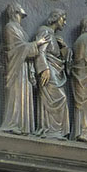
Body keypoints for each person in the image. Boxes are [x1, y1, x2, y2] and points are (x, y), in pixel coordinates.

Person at [0, 4, 42, 134]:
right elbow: (16, 48)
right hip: (15, 67)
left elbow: (23, 47)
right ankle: (13, 123)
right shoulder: (10, 27)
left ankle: (23, 126)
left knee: (24, 93)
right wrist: (37, 43)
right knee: (16, 94)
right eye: (19, 15)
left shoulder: (19, 29)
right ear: (14, 13)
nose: (20, 18)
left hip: (23, 67)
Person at [34, 9, 70, 138]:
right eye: (63, 19)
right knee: (59, 98)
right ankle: (50, 130)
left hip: (56, 69)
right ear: (55, 17)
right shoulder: (44, 31)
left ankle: (56, 131)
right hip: (49, 70)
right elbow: (41, 51)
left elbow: (61, 58)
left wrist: (64, 47)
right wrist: (44, 69)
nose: (64, 23)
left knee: (61, 98)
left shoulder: (54, 36)